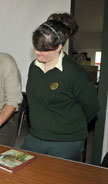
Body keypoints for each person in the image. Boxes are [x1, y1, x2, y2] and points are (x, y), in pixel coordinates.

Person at [21, 13, 100, 161]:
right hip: (34, 137)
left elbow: (91, 107)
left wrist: (67, 126)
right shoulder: (34, 67)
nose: (38, 52)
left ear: (59, 47)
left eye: (44, 49)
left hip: (65, 141)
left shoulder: (75, 73)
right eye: (36, 47)